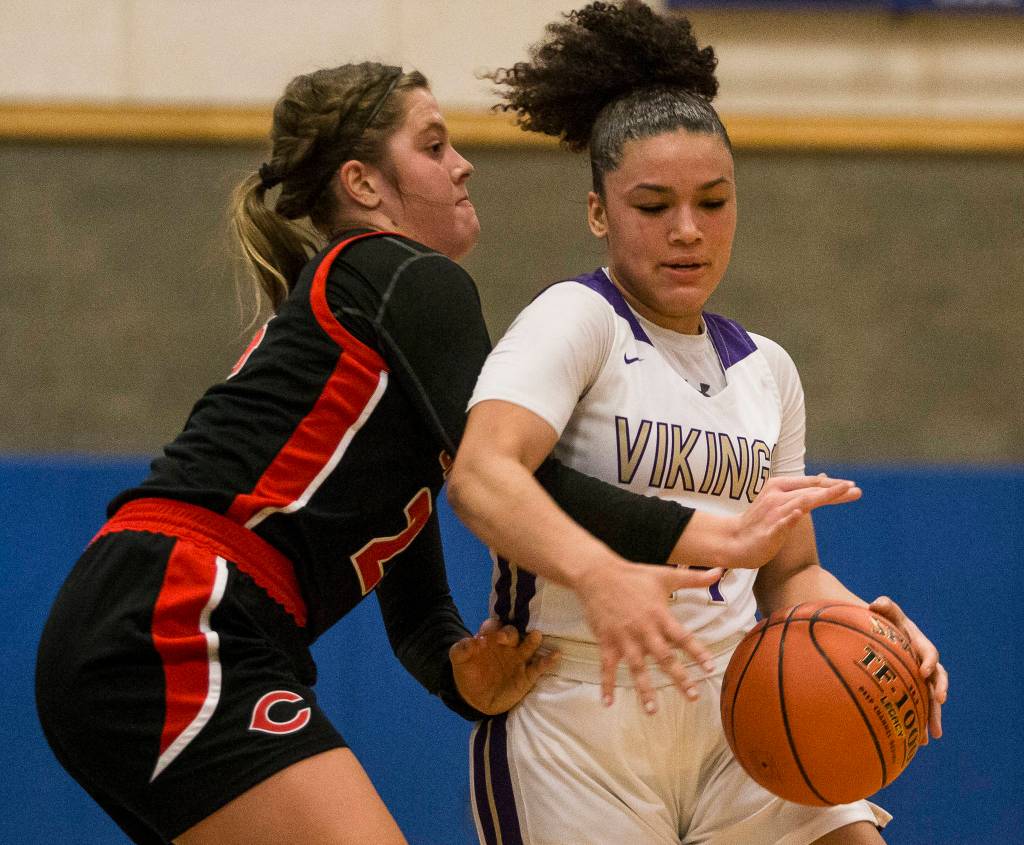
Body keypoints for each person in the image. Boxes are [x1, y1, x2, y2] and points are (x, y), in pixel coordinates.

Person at [34, 60, 860, 845]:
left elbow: (406, 574)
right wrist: (697, 540)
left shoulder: (374, 329)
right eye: (433, 146)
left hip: (168, 619)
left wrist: (457, 672)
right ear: (364, 184)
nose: (463, 166)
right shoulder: (401, 273)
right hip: (183, 610)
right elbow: (503, 475)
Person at [448, 3, 949, 843]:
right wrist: (601, 576)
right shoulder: (575, 320)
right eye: (653, 205)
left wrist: (869, 632)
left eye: (712, 201)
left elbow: (788, 575)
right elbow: (480, 474)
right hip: (580, 712)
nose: (688, 230)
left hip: (744, 704)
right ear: (599, 213)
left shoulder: (768, 368)